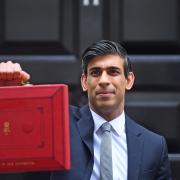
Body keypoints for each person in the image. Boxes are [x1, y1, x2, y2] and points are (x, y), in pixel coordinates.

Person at [0, 40, 171, 180]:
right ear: (84, 82)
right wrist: (8, 90)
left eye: (113, 72)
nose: (104, 80)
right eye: (95, 73)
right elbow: (15, 133)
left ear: (129, 80)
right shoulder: (56, 122)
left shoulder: (154, 146)